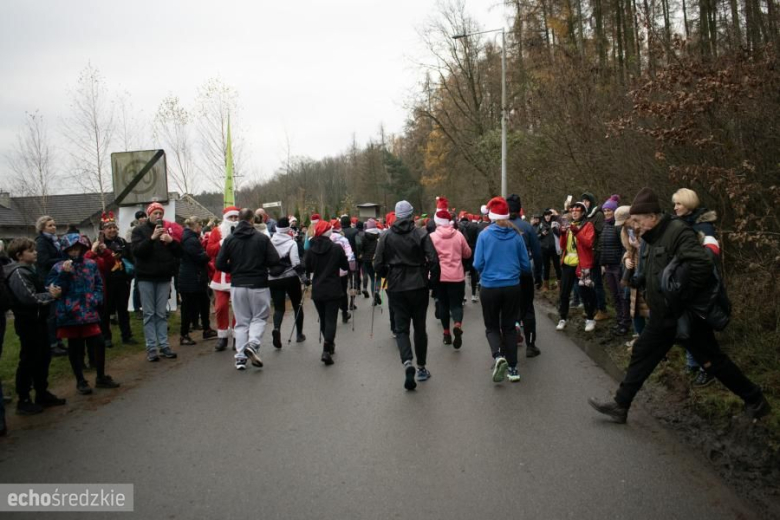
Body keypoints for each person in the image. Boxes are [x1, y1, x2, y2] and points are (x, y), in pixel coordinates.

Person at [589, 187, 771, 423]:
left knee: (713, 361)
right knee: (642, 353)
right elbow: (655, 270)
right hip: (662, 316)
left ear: (652, 216)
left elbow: (702, 266)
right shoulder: (650, 237)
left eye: (638, 220)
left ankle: (756, 400)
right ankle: (621, 404)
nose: (635, 225)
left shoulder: (678, 232)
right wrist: (638, 279)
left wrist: (680, 295)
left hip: (684, 315)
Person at [374, 200, 439, 391]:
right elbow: (434, 260)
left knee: (401, 328)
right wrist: (432, 283)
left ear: (396, 215)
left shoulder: (386, 236)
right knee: (419, 327)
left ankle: (407, 361)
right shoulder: (421, 233)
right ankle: (421, 367)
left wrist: (387, 273)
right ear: (411, 215)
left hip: (396, 286)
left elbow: (377, 264)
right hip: (418, 284)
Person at [48, 234, 120, 395]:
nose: (75, 252)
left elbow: (98, 283)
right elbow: (54, 289)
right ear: (65, 250)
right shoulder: (58, 267)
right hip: (70, 313)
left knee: (99, 342)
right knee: (75, 347)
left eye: (78, 249)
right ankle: (80, 380)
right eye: (72, 249)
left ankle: (101, 376)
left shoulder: (90, 264)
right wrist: (64, 274)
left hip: (88, 310)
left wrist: (96, 298)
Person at [473, 197, 531, 383]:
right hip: (512, 287)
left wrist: (488, 271)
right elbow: (525, 265)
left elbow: (477, 263)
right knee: (509, 327)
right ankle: (513, 369)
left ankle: (498, 356)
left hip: (489, 287)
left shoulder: (484, 236)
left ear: (490, 216)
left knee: (491, 326)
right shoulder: (516, 235)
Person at [5, 239, 66, 415]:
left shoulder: (29, 269)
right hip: (28, 322)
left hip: (39, 320)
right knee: (29, 359)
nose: (35, 253)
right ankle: (23, 399)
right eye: (30, 251)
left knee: (43, 357)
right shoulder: (18, 272)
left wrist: (48, 290)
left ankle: (42, 393)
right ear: (19, 255)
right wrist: (51, 295)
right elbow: (29, 298)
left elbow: (35, 290)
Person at [216, 208, 280, 371]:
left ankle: (240, 358)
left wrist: (234, 269)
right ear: (252, 220)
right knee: (259, 317)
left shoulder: (230, 239)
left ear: (239, 220)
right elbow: (274, 260)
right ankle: (253, 344)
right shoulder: (262, 238)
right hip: (258, 283)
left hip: (238, 284)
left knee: (242, 321)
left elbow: (219, 264)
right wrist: (262, 265)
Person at [672, 187, 720, 387]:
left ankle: (707, 369)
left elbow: (712, 253)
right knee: (686, 325)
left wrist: (694, 274)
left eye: (678, 203)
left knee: (701, 328)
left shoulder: (704, 227)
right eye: (674, 204)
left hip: (701, 286)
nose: (675, 207)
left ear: (688, 204)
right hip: (684, 284)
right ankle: (692, 363)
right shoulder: (679, 225)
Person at [131, 202, 181, 362]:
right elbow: (137, 252)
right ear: (149, 214)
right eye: (155, 213)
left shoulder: (167, 230)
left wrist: (171, 241)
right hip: (146, 277)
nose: (158, 216)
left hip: (163, 277)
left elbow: (179, 253)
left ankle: (164, 345)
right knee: (149, 314)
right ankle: (151, 347)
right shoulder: (139, 231)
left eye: (160, 213)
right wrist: (152, 239)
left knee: (161, 313)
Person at [305, 220, 350, 365]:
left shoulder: (311, 250)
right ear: (328, 232)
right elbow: (345, 266)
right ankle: (327, 347)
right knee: (331, 319)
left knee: (323, 319)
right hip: (333, 288)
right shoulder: (336, 248)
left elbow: (307, 267)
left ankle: (329, 345)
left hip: (318, 289)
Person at [429, 198, 472, 348]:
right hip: (456, 276)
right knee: (456, 305)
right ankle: (457, 325)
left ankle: (446, 333)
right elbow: (467, 253)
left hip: (440, 276)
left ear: (436, 222)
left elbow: (427, 257)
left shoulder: (432, 237)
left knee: (443, 304)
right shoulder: (458, 235)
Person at [507, 194, 543, 357]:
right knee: (528, 309)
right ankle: (530, 345)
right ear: (520, 208)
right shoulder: (527, 227)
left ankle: (509, 339)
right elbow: (537, 253)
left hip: (505, 275)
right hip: (524, 273)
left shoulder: (498, 227)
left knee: (508, 308)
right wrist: (539, 275)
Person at [556, 202, 598, 332]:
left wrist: (576, 231)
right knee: (564, 293)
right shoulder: (569, 225)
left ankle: (590, 319)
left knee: (585, 292)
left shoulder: (588, 225)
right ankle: (563, 318)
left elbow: (588, 243)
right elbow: (563, 246)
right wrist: (563, 233)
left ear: (583, 212)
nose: (574, 212)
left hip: (582, 264)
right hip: (568, 263)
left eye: (577, 210)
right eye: (572, 210)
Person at [206, 207, 241, 351]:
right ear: (226, 218)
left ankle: (237, 336)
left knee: (239, 308)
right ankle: (222, 336)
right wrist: (222, 242)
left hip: (238, 274)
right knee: (220, 307)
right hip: (220, 275)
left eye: (236, 217)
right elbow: (209, 250)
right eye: (231, 217)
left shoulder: (242, 232)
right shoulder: (217, 231)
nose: (233, 220)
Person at [178, 217, 217, 346]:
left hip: (195, 277)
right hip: (191, 277)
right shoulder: (190, 240)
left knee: (204, 302)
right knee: (188, 307)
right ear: (195, 226)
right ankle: (184, 334)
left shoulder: (190, 238)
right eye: (200, 225)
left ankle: (206, 328)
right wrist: (208, 253)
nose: (201, 227)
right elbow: (198, 257)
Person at [268, 217, 306, 347]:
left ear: (276, 229)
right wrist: (304, 278)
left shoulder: (270, 242)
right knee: (297, 305)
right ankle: (299, 334)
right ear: (288, 229)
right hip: (290, 277)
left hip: (273, 279)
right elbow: (295, 263)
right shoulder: (291, 243)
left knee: (279, 308)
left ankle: (277, 329)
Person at [100, 213, 137, 346]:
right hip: (107, 281)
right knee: (106, 310)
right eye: (109, 228)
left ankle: (126, 336)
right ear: (103, 230)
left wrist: (129, 276)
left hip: (122, 280)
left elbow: (131, 258)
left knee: (123, 309)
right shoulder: (99, 244)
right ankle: (106, 337)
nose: (112, 230)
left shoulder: (122, 242)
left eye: (114, 227)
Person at [35, 215, 67, 358]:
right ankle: (52, 344)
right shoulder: (41, 242)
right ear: (42, 228)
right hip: (48, 279)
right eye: (50, 225)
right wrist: (62, 260)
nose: (54, 227)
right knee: (51, 314)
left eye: (54, 225)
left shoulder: (55, 240)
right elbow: (43, 261)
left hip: (57, 277)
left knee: (58, 312)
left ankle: (58, 340)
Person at [599, 196, 631, 336]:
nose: (607, 213)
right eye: (605, 210)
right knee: (615, 295)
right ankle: (619, 320)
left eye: (609, 210)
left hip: (618, 266)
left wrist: (622, 263)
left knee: (622, 295)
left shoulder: (619, 227)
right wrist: (602, 264)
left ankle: (625, 322)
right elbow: (603, 246)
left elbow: (624, 247)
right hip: (608, 266)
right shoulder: (605, 226)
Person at [619, 209, 649, 349]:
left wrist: (638, 246)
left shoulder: (645, 229)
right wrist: (626, 259)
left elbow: (652, 251)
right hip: (634, 276)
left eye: (625, 222)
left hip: (646, 275)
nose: (624, 225)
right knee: (635, 310)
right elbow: (628, 250)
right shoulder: (626, 231)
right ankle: (639, 337)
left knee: (648, 311)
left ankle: (652, 343)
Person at [581, 192, 609, 321]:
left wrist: (600, 253)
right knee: (588, 283)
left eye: (587, 201)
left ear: (591, 202)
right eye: (583, 201)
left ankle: (602, 309)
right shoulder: (586, 215)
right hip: (587, 254)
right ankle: (593, 307)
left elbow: (601, 234)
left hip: (596, 254)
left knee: (597, 283)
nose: (585, 203)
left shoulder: (598, 215)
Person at [329, 219, 356, 323]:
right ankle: (344, 313)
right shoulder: (344, 240)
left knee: (332, 292)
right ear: (339, 228)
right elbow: (350, 254)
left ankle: (333, 314)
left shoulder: (326, 239)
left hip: (329, 271)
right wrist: (350, 265)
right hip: (342, 270)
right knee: (343, 292)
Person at [538, 209, 562, 290]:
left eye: (549, 215)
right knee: (546, 267)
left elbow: (560, 234)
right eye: (546, 215)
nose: (547, 217)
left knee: (557, 266)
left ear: (551, 216)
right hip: (544, 249)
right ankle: (546, 286)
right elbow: (536, 236)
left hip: (554, 248)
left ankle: (560, 285)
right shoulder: (541, 224)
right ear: (544, 216)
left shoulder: (555, 223)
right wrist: (542, 234)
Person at [360, 218, 381, 303]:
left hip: (367, 260)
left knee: (372, 278)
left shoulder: (364, 236)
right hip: (378, 259)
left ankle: (374, 299)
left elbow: (361, 248)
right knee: (378, 278)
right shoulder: (379, 235)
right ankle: (377, 291)